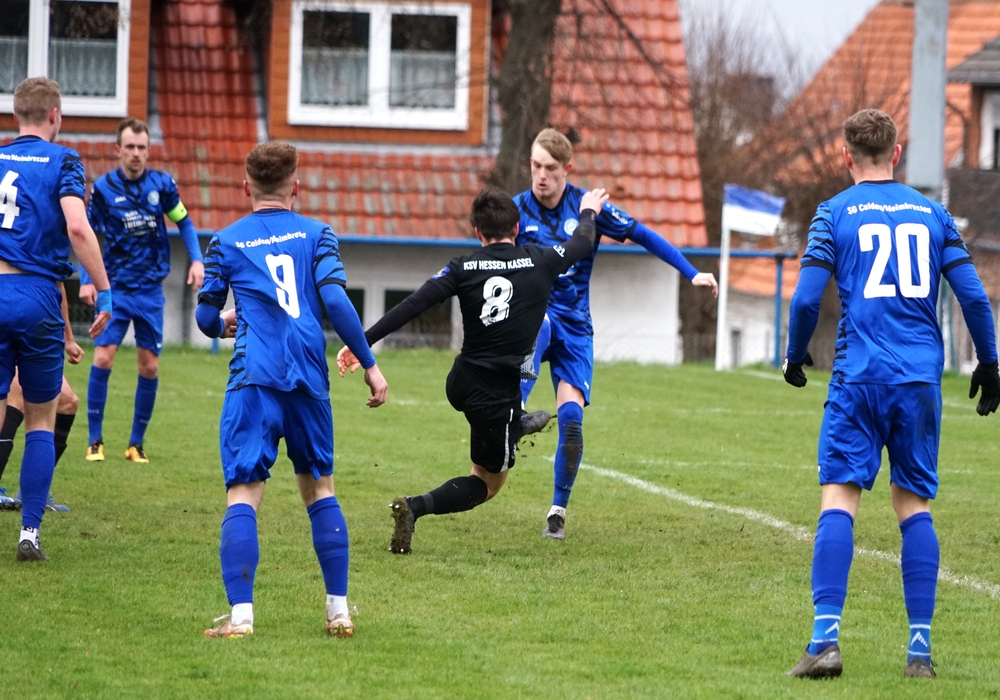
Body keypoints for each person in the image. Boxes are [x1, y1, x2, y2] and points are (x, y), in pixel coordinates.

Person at [782, 109, 1000, 680]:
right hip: (920, 380)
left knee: (839, 497)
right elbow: (974, 297)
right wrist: (990, 362)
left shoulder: (833, 213)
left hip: (858, 376)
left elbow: (805, 299)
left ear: (846, 157)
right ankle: (919, 654)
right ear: (896, 154)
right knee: (914, 505)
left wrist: (795, 353)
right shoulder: (934, 214)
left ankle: (825, 642)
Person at [338, 186, 604, 554]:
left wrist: (361, 342)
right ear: (517, 228)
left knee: (499, 418)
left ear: (477, 232)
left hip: (460, 381)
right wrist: (588, 210)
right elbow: (582, 242)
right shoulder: (542, 259)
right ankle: (414, 507)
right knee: (487, 484)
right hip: (495, 396)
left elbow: (413, 304)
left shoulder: (462, 266)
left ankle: (516, 423)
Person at [196, 141, 387, 639]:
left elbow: (204, 317)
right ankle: (338, 611)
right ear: (295, 187)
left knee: (244, 493)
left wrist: (224, 323)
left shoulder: (226, 241)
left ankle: (241, 617)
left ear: (246, 187)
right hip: (309, 377)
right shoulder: (318, 233)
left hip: (254, 379)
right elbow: (336, 302)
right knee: (320, 488)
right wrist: (369, 364)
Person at [515, 128, 720, 540]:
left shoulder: (587, 207)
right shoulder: (517, 209)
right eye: (535, 166)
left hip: (576, 327)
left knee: (571, 419)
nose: (541, 175)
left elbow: (644, 235)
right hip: (535, 316)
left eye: (550, 168)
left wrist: (691, 272)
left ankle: (557, 512)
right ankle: (513, 412)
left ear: (567, 168)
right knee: (540, 324)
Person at [0, 77, 112, 561]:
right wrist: (104, 289)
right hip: (37, 294)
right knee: (42, 419)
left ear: (15, 116)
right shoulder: (64, 160)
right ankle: (29, 534)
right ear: (54, 115)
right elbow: (77, 226)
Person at [79, 117, 205, 464]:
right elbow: (88, 234)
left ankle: (136, 444)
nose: (136, 153)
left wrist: (197, 259)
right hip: (115, 287)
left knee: (149, 366)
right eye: (130, 147)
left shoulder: (162, 185)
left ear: (148, 151)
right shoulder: (103, 189)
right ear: (118, 149)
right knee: (103, 357)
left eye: (142, 147)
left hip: (150, 290)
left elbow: (184, 221)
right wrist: (87, 278)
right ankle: (94, 441)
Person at [0, 282, 86, 512]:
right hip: (10, 314)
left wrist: (68, 339)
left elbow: (59, 286)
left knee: (67, 402)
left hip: (36, 323)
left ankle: (34, 491)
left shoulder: (50, 265)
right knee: (16, 395)